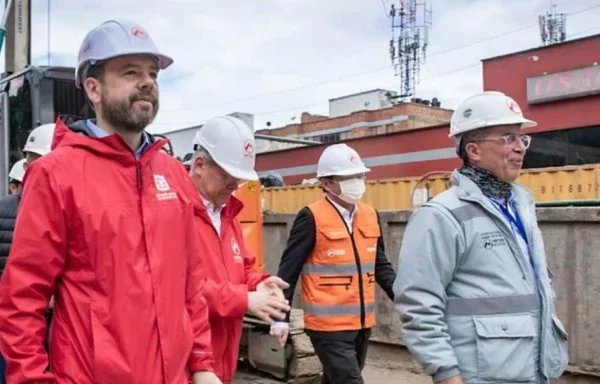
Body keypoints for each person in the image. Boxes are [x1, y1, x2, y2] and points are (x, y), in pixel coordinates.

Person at [0, 20, 220, 384]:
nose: (147, 81)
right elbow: (23, 298)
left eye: (152, 73)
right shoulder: (56, 174)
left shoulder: (173, 175)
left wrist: (201, 364)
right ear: (93, 88)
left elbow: (190, 285)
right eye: (130, 72)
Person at [393, 90, 569, 384]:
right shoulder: (441, 215)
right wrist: (446, 374)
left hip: (531, 370)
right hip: (480, 375)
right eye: (507, 138)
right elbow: (418, 302)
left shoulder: (521, 206)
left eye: (521, 138)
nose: (519, 148)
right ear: (473, 151)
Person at [277, 143, 397, 384]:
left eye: (359, 176)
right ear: (327, 183)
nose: (357, 182)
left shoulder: (370, 214)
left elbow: (380, 265)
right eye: (348, 177)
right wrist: (280, 318)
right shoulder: (311, 217)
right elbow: (288, 271)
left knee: (335, 380)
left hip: (362, 323)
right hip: (327, 326)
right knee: (350, 381)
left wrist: (407, 298)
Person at [189, 115, 291, 384]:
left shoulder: (227, 216)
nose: (235, 185)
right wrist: (244, 300)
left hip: (223, 358)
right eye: (227, 175)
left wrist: (262, 283)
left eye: (239, 178)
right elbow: (180, 288)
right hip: (188, 362)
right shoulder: (175, 214)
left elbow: (244, 269)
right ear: (200, 165)